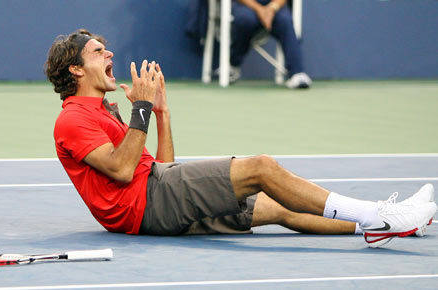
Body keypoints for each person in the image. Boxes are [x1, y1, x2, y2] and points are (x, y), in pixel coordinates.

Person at [45, 29, 436, 248]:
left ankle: (378, 226)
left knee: (278, 207)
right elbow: (123, 170)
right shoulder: (73, 120)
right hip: (148, 206)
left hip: (155, 201)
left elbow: (161, 169)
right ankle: (380, 215)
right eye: (98, 51)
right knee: (262, 168)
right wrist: (142, 108)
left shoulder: (103, 112)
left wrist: (160, 113)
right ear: (76, 69)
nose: (109, 51)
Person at [230, 0, 312, 88]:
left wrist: (272, 8)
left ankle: (297, 73)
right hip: (246, 5)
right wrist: (259, 9)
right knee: (245, 20)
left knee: (284, 20)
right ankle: (233, 64)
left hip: (275, 6)